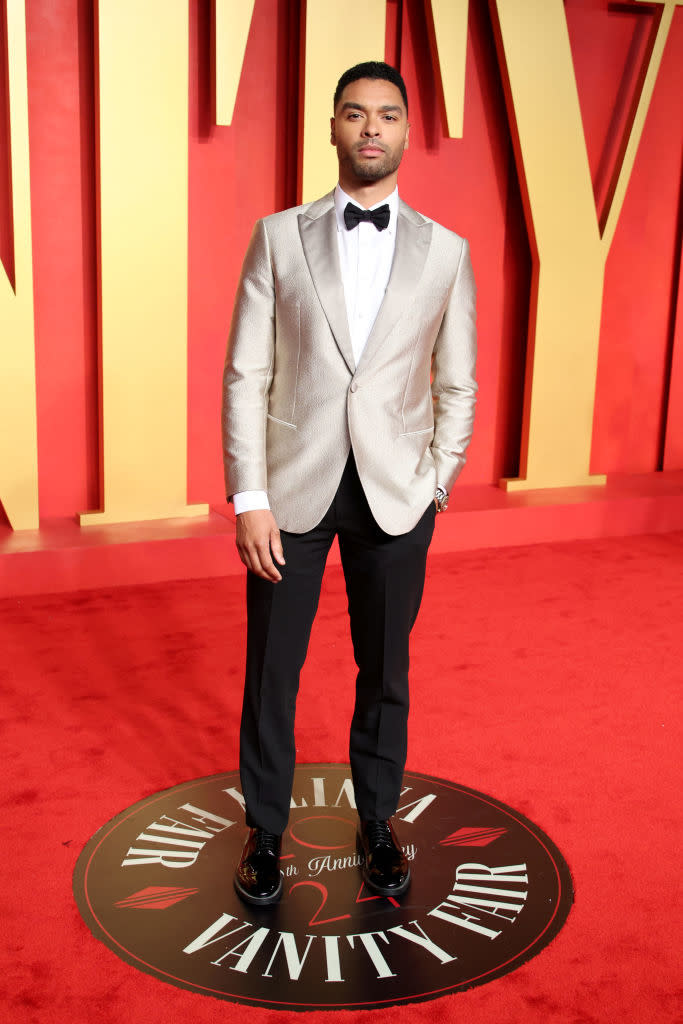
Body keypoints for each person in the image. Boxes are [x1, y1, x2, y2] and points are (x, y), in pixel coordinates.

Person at [222, 61, 477, 906]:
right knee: (271, 671)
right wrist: (249, 496)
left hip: (396, 495)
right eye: (354, 114)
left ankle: (376, 823)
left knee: (385, 670)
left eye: (387, 116)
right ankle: (264, 833)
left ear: (406, 134)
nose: (371, 128)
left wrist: (436, 480)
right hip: (291, 489)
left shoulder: (447, 252)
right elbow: (244, 373)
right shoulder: (277, 237)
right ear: (331, 129)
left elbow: (457, 382)